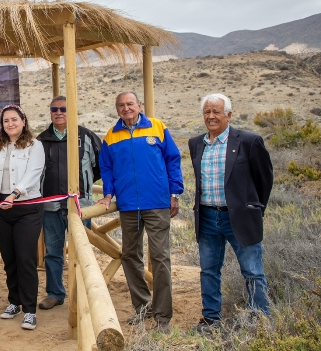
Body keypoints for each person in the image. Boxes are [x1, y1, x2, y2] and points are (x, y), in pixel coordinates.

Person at [97, 91, 183, 333]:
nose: (126, 109)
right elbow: (107, 168)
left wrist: (174, 194)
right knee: (130, 257)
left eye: (130, 104)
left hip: (156, 203)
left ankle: (163, 316)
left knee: (160, 258)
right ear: (117, 109)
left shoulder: (157, 128)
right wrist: (108, 193)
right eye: (121, 105)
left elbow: (173, 161)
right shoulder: (111, 136)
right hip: (128, 207)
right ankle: (142, 307)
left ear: (139, 105)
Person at [189, 93, 273, 332]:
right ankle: (211, 319)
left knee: (252, 271)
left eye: (216, 111)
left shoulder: (249, 141)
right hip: (206, 217)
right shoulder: (196, 143)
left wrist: (255, 208)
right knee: (208, 271)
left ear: (229, 115)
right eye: (207, 112)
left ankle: (259, 318)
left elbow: (264, 179)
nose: (211, 116)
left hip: (239, 217)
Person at [36, 96, 102, 311]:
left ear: (71, 111)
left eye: (63, 109)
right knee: (53, 252)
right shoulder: (41, 140)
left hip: (79, 205)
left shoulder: (86, 136)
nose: (59, 112)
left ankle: (83, 293)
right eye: (54, 109)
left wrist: (85, 181)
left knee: (82, 251)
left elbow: (100, 166)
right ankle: (55, 293)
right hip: (51, 206)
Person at [0, 104, 45, 331]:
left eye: (14, 120)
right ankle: (14, 302)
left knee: (25, 258)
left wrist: (15, 194)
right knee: (9, 258)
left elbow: (33, 173)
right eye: (6, 120)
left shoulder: (34, 145)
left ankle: (29, 310)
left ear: (23, 121)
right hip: (1, 209)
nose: (10, 124)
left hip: (26, 209)